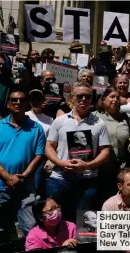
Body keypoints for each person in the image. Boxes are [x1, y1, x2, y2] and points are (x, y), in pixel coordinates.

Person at [0, 88, 46, 244]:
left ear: (27, 104)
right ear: (8, 104)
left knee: (31, 228)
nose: (18, 102)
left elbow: (39, 156)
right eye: (14, 100)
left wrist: (23, 176)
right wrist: (8, 177)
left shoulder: (37, 128)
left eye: (22, 100)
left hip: (25, 188)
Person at [45, 82, 111, 223]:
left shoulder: (99, 123)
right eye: (79, 96)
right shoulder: (59, 121)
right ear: (72, 98)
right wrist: (60, 162)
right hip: (60, 179)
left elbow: (105, 151)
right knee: (55, 222)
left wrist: (87, 166)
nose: (83, 100)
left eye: (87, 96)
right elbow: (49, 147)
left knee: (85, 225)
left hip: (87, 181)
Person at [93, 86, 130, 205]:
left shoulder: (125, 118)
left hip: (120, 168)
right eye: (111, 96)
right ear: (103, 99)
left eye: (117, 97)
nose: (115, 100)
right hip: (100, 168)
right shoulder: (94, 117)